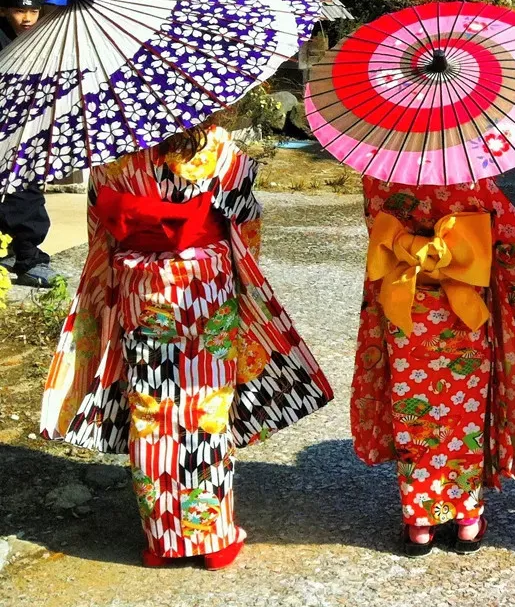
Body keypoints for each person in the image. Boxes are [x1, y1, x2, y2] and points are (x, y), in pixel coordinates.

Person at [39, 118, 334, 570]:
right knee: (206, 404)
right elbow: (243, 217)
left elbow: (101, 222)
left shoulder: (108, 151)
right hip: (204, 284)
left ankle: (163, 541)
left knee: (151, 407)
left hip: (141, 285)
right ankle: (213, 539)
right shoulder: (214, 147)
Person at [351, 177, 515, 556]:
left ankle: (419, 523)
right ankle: (467, 520)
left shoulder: (378, 178)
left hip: (406, 309)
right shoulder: (469, 180)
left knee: (413, 412)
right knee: (462, 413)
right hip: (461, 311)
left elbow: (378, 230)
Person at [0, 0, 60, 288]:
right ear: (3, 11)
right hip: (5, 132)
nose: (26, 18)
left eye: (33, 11)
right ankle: (29, 260)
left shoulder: (40, 40)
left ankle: (15, 252)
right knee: (23, 197)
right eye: (18, 10)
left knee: (26, 190)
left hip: (28, 128)